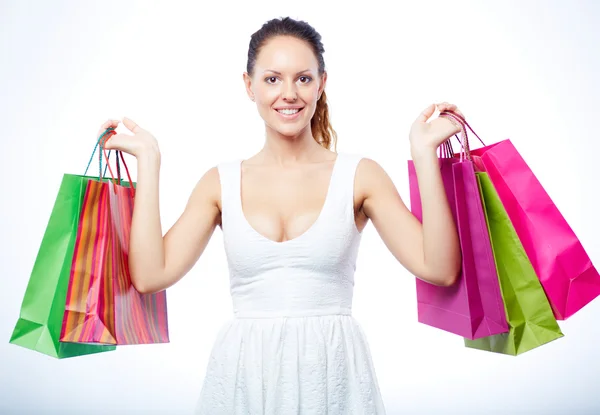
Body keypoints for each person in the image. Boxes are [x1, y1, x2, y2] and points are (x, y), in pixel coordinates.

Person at [99, 16, 462, 415]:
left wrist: (424, 156)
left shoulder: (360, 175)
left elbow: (440, 269)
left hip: (333, 370)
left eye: (303, 79)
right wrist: (150, 162)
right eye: (273, 79)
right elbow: (151, 276)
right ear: (248, 85)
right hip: (244, 374)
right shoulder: (219, 182)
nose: (289, 93)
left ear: (322, 83)